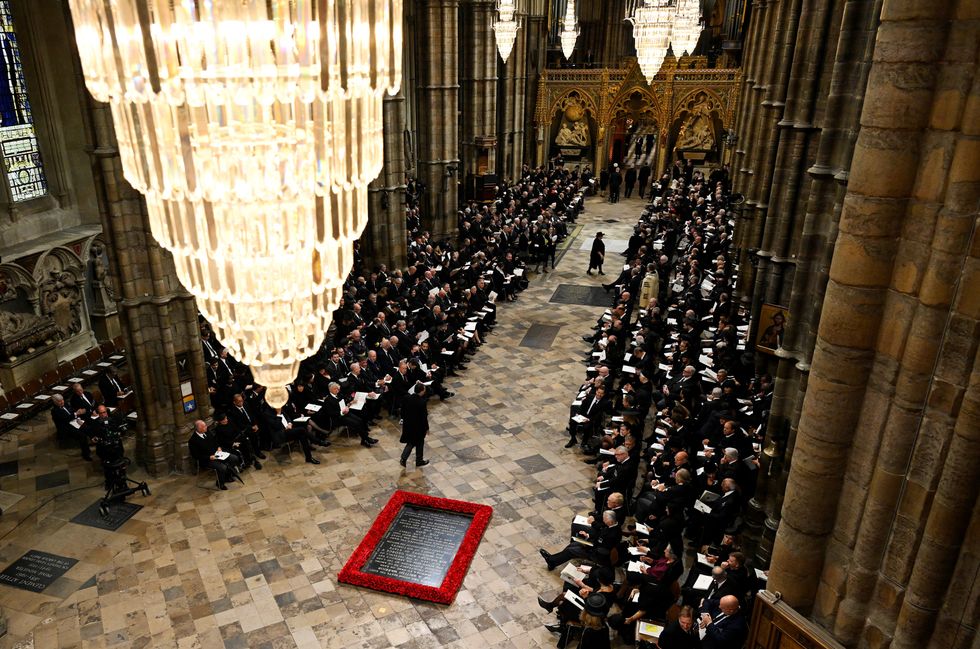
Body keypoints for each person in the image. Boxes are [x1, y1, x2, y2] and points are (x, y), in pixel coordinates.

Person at [187, 420, 243, 490]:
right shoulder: (193, 441)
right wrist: (209, 457)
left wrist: (218, 447)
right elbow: (196, 456)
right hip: (206, 460)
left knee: (234, 458)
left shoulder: (207, 432)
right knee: (222, 467)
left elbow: (215, 441)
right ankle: (220, 483)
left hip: (217, 454)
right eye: (204, 426)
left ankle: (227, 477)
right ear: (198, 429)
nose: (206, 427)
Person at [399, 383, 430, 467]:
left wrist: (403, 419)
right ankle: (418, 460)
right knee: (418, 442)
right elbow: (424, 417)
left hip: (408, 425)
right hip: (418, 427)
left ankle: (404, 458)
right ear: (422, 391)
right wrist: (427, 428)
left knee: (411, 442)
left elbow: (402, 410)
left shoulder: (407, 398)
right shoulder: (422, 402)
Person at [51, 393, 91, 460]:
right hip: (66, 427)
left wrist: (78, 418)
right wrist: (76, 414)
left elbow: (72, 412)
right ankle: (86, 454)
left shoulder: (66, 404)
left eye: (62, 400)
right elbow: (66, 419)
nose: (62, 402)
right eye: (59, 401)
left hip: (73, 422)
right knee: (82, 435)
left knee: (87, 426)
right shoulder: (54, 411)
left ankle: (92, 441)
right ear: (55, 402)